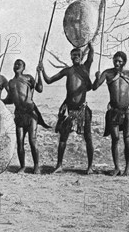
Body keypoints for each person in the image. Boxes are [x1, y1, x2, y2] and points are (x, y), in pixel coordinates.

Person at [38, 44, 95, 173]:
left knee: (88, 137)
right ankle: (59, 165)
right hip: (69, 110)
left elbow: (91, 55)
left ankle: (90, 167)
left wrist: (90, 43)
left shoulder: (85, 68)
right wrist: (41, 71)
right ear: (70, 57)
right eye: (73, 55)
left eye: (78, 55)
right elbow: (49, 80)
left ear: (81, 57)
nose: (76, 57)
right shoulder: (67, 71)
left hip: (82, 109)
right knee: (63, 138)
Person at [92, 51, 129, 176]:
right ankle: (117, 168)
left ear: (124, 62)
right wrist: (97, 77)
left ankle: (128, 168)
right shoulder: (107, 73)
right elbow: (94, 87)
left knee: (127, 138)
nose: (116, 63)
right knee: (115, 139)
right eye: (115, 60)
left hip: (127, 110)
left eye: (119, 61)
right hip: (113, 110)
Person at [3, 59, 50, 174]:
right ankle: (22, 166)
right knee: (19, 141)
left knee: (32, 140)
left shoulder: (28, 78)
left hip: (30, 112)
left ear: (24, 67)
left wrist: (39, 73)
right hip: (19, 114)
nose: (16, 65)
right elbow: (10, 99)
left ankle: (37, 166)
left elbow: (39, 89)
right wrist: (0, 99)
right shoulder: (11, 82)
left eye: (19, 64)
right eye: (15, 64)